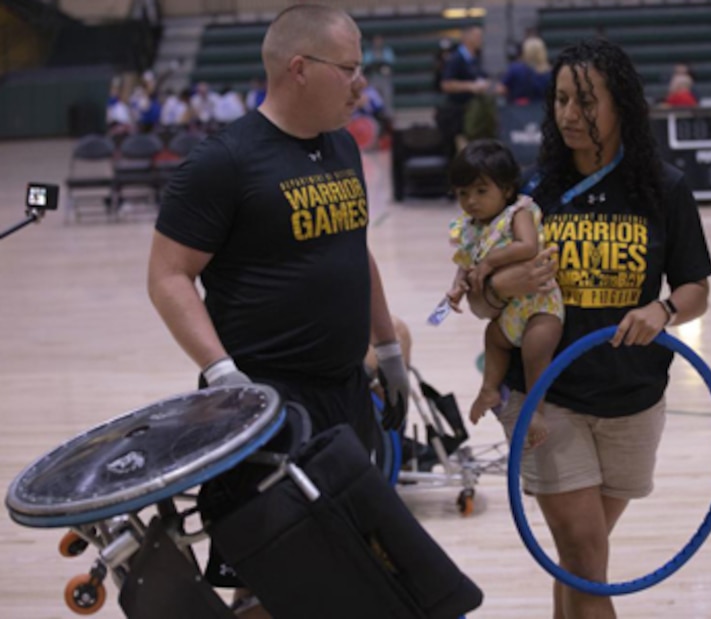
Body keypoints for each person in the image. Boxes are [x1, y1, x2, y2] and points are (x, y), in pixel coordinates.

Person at [146, 5, 410, 618]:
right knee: (268, 579)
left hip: (345, 395)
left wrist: (389, 349)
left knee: (346, 560)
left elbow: (355, 251)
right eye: (349, 69)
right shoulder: (224, 161)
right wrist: (222, 375)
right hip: (267, 406)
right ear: (300, 68)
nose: (361, 84)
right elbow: (168, 275)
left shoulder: (342, 147)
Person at [468, 38, 711, 618]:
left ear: (621, 104)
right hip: (548, 400)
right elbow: (480, 306)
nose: (570, 115)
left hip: (633, 396)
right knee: (583, 553)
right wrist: (499, 287)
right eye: (559, 100)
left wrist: (664, 310)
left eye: (585, 101)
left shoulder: (664, 188)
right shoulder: (530, 193)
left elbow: (697, 289)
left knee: (582, 561)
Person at [444, 139, 564, 449]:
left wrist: (490, 261)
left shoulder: (518, 212)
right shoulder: (469, 229)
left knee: (536, 348)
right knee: (494, 338)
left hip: (540, 304)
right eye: (463, 193)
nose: (471, 201)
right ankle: (489, 389)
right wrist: (458, 287)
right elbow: (465, 264)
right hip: (509, 312)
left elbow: (527, 246)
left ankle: (535, 411)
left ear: (507, 190)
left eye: (481, 191)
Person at [438, 25, 490, 153]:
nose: (480, 40)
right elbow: (446, 84)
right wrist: (470, 86)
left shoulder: (475, 58)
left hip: (475, 112)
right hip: (459, 112)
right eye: (478, 37)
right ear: (467, 38)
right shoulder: (455, 59)